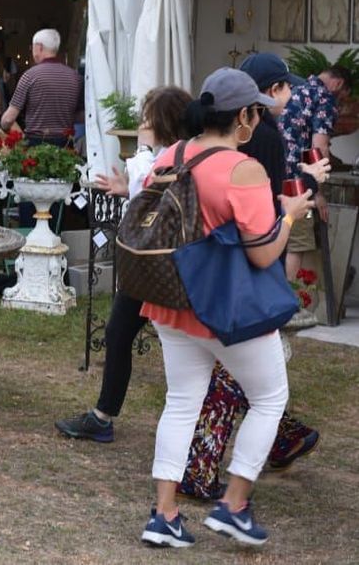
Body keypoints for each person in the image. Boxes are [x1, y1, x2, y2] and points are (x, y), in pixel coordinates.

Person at [139, 68, 312, 549]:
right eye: (256, 111)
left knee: (181, 402)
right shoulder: (245, 169)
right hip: (225, 307)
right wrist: (290, 216)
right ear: (243, 116)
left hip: (171, 301)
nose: (257, 119)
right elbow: (262, 253)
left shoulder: (170, 156)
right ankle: (233, 504)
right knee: (270, 397)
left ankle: (165, 514)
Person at [178, 52, 329, 500]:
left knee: (234, 378)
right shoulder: (263, 140)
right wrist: (305, 184)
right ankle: (218, 476)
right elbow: (268, 212)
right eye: (280, 88)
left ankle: (268, 443)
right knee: (243, 380)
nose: (286, 95)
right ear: (253, 104)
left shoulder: (195, 146)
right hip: (241, 272)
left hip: (210, 270)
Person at [55, 86, 193, 442]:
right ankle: (102, 416)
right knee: (119, 333)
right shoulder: (171, 154)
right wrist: (128, 186)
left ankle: (273, 422)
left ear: (163, 121)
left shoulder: (175, 156)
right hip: (153, 263)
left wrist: (133, 181)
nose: (142, 124)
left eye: (147, 117)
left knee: (194, 351)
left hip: (161, 264)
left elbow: (159, 196)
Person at [279, 64, 350, 282]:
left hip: (274, 175)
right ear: (338, 84)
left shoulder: (294, 90)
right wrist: (318, 192)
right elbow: (319, 147)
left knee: (276, 239)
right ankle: (286, 308)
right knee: (297, 243)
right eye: (344, 96)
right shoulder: (325, 100)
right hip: (298, 185)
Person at [0, 28, 81, 146]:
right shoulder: (75, 77)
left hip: (36, 146)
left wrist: (2, 126)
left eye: (32, 47)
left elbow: (8, 119)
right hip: (65, 146)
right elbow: (81, 116)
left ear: (39, 47)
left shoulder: (30, 76)